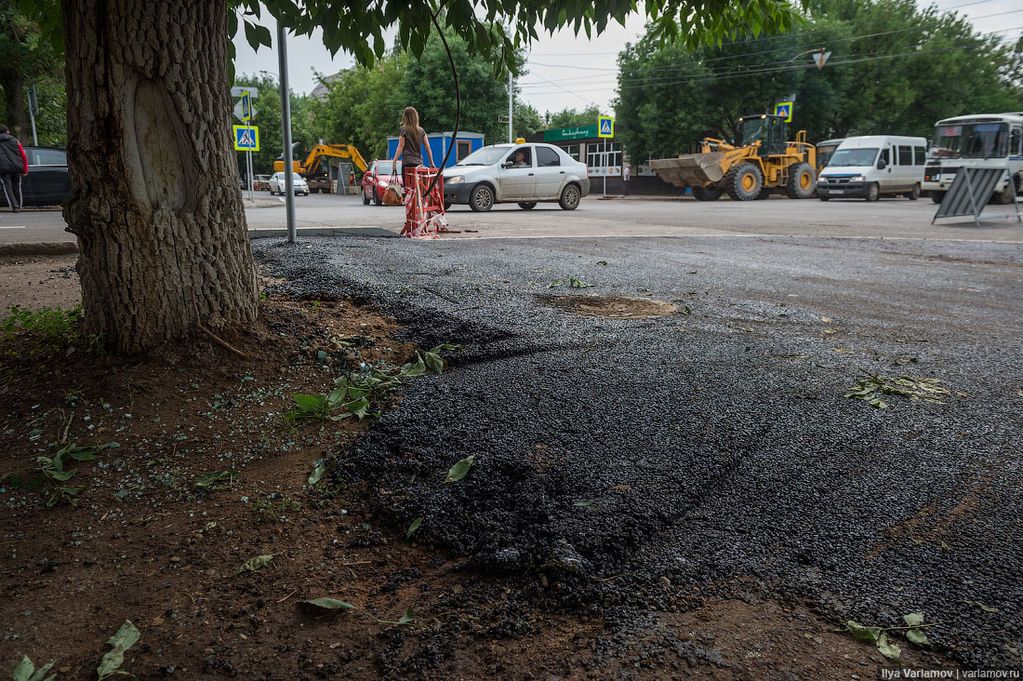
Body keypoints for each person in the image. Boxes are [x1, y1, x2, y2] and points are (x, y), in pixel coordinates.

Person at [0, 125, 29, 213]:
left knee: (8, 188)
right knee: (17, 187)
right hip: (17, 167)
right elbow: (23, 155)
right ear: (7, 131)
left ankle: (15, 206)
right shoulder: (15, 140)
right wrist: (25, 169)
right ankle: (19, 206)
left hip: (3, 168)